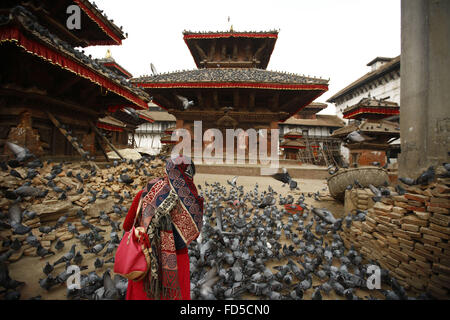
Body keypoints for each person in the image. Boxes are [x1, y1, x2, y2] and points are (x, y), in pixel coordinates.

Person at [122, 155, 203, 300]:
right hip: (176, 263)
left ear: (168, 170)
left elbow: (127, 226)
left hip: (145, 259)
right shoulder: (193, 202)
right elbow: (194, 235)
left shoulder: (145, 193)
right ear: (190, 173)